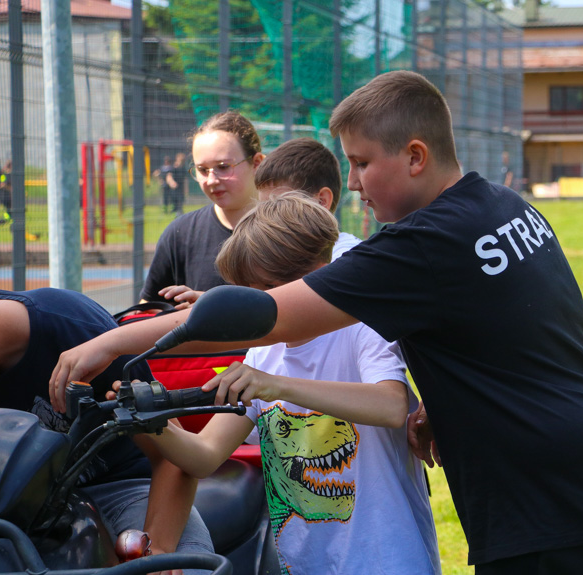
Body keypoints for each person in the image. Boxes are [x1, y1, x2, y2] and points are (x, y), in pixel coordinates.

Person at [50, 70, 583, 574]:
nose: (356, 186)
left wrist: (104, 341)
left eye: (364, 163)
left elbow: (267, 320)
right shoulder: (502, 207)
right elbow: (522, 340)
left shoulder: (417, 246)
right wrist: (439, 409)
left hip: (548, 508)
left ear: (415, 157)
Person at [136, 194, 441, 574]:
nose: (250, 306)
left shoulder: (360, 327)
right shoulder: (265, 353)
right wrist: (151, 422)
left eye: (261, 292)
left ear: (311, 278)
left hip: (386, 560)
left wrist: (277, 386)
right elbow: (204, 455)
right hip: (304, 564)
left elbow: (392, 406)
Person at [0, 288, 214, 574]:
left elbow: (173, 455)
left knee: (184, 568)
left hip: (124, 486)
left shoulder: (78, 330)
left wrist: (158, 548)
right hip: (11, 507)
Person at [164, 137, 363, 309]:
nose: (266, 217)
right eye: (263, 207)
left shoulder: (347, 261)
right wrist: (211, 301)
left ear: (321, 201)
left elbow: (282, 308)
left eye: (279, 205)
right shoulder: (287, 256)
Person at [139, 111, 264, 308]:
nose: (212, 180)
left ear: (256, 163)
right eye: (202, 170)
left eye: (223, 167)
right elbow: (148, 309)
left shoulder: (287, 231)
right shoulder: (180, 234)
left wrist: (212, 311)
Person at [168, 152, 188, 217]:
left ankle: (179, 212)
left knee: (180, 199)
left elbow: (185, 179)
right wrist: (172, 182)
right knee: (175, 199)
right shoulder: (174, 167)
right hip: (175, 187)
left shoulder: (183, 168)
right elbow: (169, 176)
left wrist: (186, 188)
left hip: (181, 186)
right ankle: (176, 210)